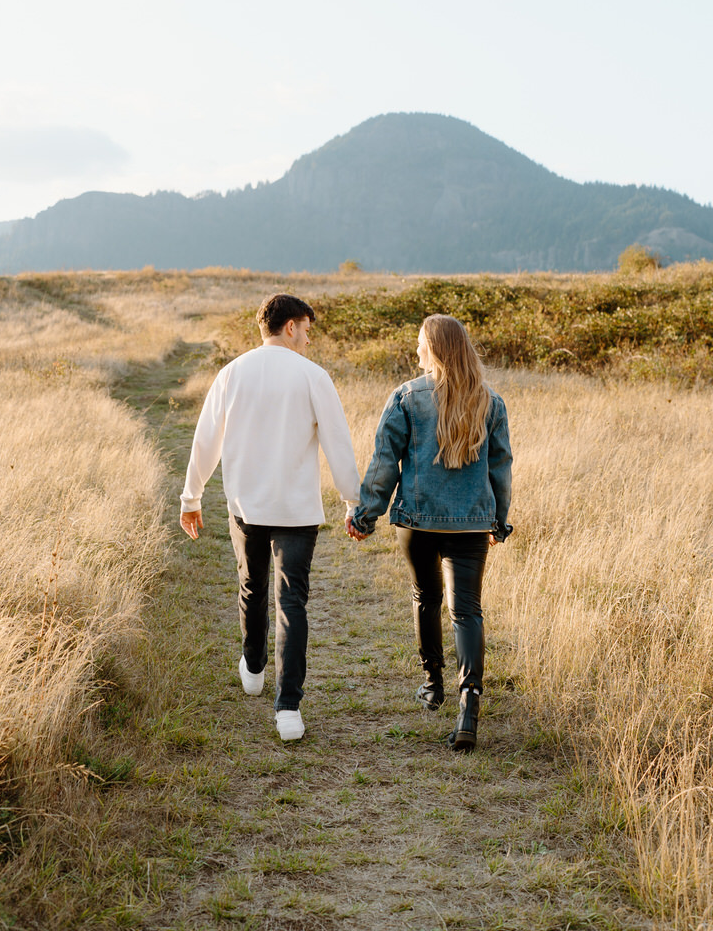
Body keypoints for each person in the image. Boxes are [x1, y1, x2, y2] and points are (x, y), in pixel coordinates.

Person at [180, 293, 361, 742]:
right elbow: (338, 441)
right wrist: (353, 501)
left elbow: (207, 439)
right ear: (290, 326)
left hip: (247, 507)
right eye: (306, 329)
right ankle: (288, 708)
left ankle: (255, 666)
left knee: (252, 586)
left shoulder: (232, 373)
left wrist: (192, 496)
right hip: (297, 510)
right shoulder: (314, 376)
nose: (307, 339)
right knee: (292, 602)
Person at [346, 314, 512, 752]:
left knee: (427, 598)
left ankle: (433, 685)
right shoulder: (490, 401)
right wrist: (500, 520)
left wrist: (366, 516)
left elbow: (384, 465)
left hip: (418, 522)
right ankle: (468, 708)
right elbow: (501, 469)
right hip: (473, 523)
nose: (416, 350)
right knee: (467, 612)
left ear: (435, 349)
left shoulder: (406, 397)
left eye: (421, 343)